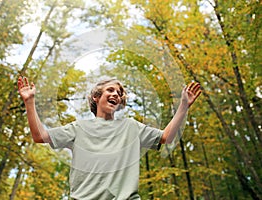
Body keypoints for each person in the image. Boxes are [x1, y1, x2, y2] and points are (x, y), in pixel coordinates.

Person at [18, 76, 201, 199]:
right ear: (96, 97)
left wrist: (184, 106)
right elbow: (40, 136)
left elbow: (166, 137)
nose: (116, 95)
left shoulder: (131, 127)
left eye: (119, 94)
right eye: (110, 90)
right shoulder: (79, 128)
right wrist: (29, 102)